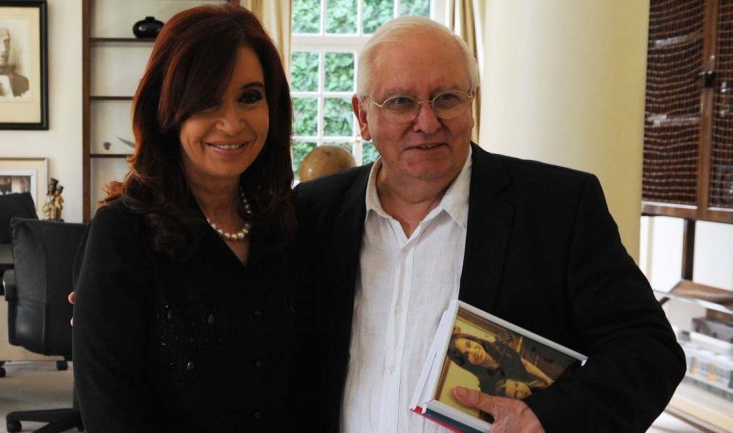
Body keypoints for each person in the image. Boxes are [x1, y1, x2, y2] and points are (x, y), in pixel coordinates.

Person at [293, 16, 686, 433]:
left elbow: (649, 350)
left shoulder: (557, 208)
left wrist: (547, 419)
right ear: (362, 116)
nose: (427, 123)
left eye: (446, 98)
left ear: (472, 104)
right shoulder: (313, 213)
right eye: (401, 102)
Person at [71, 5, 299, 432]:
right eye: (206, 101)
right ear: (167, 110)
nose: (231, 123)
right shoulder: (123, 234)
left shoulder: (283, 227)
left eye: (250, 96)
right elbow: (109, 414)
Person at [447, 331, 554, 400]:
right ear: (467, 364)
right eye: (466, 355)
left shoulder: (499, 347)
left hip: (540, 385)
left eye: (469, 344)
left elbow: (525, 364)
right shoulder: (487, 387)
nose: (473, 351)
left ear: (475, 340)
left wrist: (548, 380)